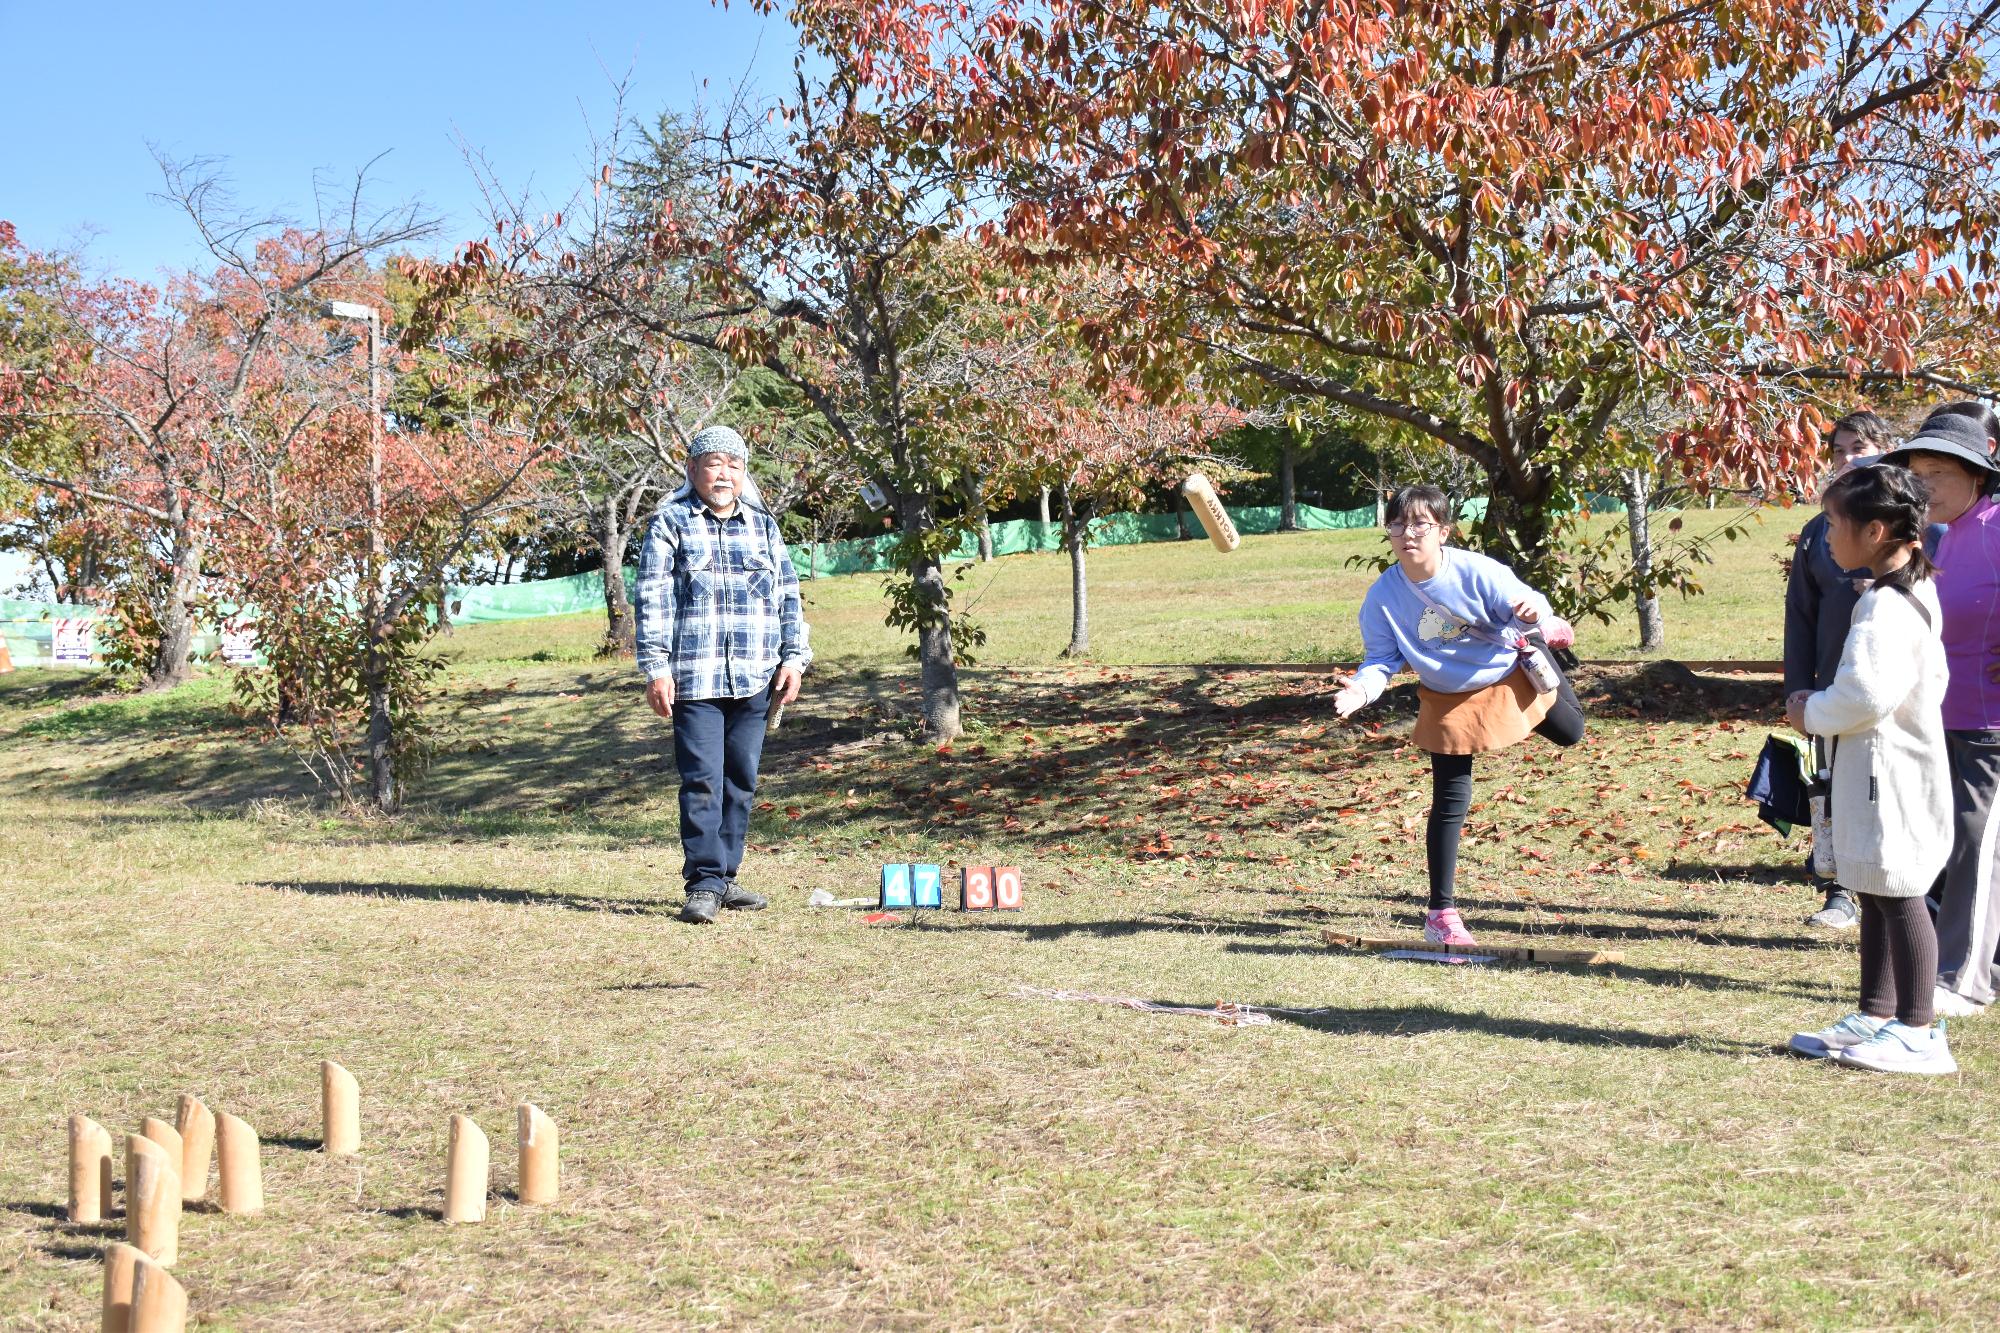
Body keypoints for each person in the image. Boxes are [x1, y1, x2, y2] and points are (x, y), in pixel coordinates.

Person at [1334, 485, 1582, 946]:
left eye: (1421, 524)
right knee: (1451, 799)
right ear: (1387, 530)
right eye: (1398, 524)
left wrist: (1534, 618)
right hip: (1448, 695)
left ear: (1444, 531)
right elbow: (1381, 660)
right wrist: (1363, 691)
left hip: (1506, 673)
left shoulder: (1476, 571)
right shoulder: (1383, 597)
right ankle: (1441, 913)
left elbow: (1526, 602)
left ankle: (1542, 646)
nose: (1408, 533)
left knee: (1571, 732)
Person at [1786, 463, 1956, 1074]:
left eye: (1834, 524)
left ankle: (1918, 1031)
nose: (1826, 536)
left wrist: (1811, 711)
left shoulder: (1886, 607)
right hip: (1876, 766)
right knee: (1877, 889)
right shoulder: (1898, 591)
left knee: (1900, 890)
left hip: (1891, 772)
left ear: (1877, 531)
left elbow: (1865, 696)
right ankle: (1879, 1013)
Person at [634, 425, 808, 924]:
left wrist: (795, 659)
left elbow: (787, 595)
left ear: (744, 472)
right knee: (702, 780)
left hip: (757, 674)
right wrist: (656, 669)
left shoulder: (763, 525)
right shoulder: (670, 522)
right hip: (695, 677)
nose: (724, 473)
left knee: (741, 780)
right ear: (692, 470)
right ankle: (705, 882)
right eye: (714, 463)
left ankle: (726, 878)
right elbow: (652, 599)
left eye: (733, 465)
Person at [1876, 411, 2000, 1016]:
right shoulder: (1941, 537)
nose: (1923, 486)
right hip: (1937, 718)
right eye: (1915, 474)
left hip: (1990, 724)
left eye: (1938, 473)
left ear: (1979, 474)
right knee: (1949, 843)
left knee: (1976, 847)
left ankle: (1962, 979)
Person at [1784, 411, 1894, 928]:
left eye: (1860, 448)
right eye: (1840, 450)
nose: (1848, 459)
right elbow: (1799, 618)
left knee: (1889, 790)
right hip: (1832, 687)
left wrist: (1891, 592)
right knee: (1830, 788)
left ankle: (1912, 893)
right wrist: (1799, 691)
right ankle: (1839, 890)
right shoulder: (1815, 532)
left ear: (1883, 451)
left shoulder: (1914, 525)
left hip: (1897, 688)